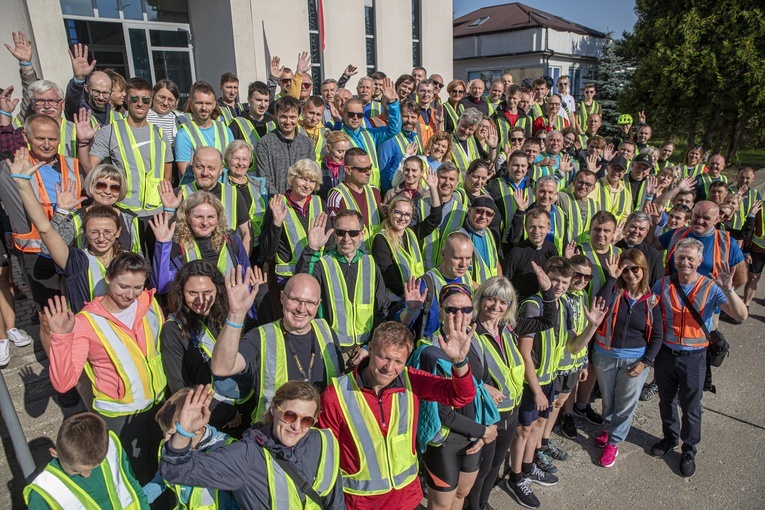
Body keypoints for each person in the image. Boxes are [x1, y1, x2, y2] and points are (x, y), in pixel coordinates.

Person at [319, 321, 477, 510]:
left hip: (407, 500)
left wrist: (459, 362)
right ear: (370, 349)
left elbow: (461, 396)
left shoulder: (412, 380)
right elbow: (325, 460)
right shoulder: (334, 395)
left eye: (398, 362)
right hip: (361, 505)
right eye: (383, 358)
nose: (389, 368)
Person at [46, 253, 166, 483]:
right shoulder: (85, 322)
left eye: (137, 287)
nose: (130, 295)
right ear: (108, 278)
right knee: (135, 477)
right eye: (123, 286)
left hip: (157, 407)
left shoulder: (148, 303)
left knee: (160, 468)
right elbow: (64, 383)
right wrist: (61, 338)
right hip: (119, 416)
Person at [507, 257, 606, 509]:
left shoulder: (562, 306)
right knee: (524, 430)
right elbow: (524, 353)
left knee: (540, 424)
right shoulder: (533, 305)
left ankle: (528, 468)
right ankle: (515, 477)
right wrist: (537, 390)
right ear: (544, 278)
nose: (559, 286)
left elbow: (573, 346)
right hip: (533, 383)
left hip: (551, 377)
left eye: (564, 281)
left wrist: (592, 327)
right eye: (554, 280)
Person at [159, 381, 345, 509]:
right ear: (274, 408)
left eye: (306, 420)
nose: (296, 426)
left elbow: (334, 502)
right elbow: (176, 471)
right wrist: (184, 433)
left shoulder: (322, 441)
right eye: (290, 415)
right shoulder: (245, 455)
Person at [650, 238, 747, 477]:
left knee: (691, 407)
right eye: (680, 257)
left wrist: (728, 289)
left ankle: (689, 449)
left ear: (699, 261)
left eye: (690, 258)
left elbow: (741, 315)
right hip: (665, 355)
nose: (684, 262)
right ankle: (670, 438)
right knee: (666, 401)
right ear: (673, 258)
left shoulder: (710, 287)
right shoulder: (661, 284)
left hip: (694, 357)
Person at [466, 272, 557, 510]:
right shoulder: (470, 331)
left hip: (511, 412)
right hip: (488, 416)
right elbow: (454, 369)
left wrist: (548, 291)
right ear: (480, 298)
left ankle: (483, 503)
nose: (496, 306)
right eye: (491, 299)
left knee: (496, 465)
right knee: (483, 467)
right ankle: (473, 506)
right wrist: (480, 385)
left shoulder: (510, 326)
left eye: (503, 301)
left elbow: (548, 321)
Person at [0, 116, 82, 381]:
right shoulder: (12, 168)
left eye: (52, 138)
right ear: (26, 136)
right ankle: (58, 372)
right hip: (36, 254)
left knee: (76, 310)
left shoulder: (71, 164)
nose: (47, 144)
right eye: (40, 138)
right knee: (48, 316)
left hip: (70, 250)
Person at [209, 270, 344, 424]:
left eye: (310, 303)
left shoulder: (326, 332)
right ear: (282, 297)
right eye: (295, 299)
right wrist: (236, 314)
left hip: (318, 434)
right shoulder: (260, 337)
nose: (301, 308)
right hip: (273, 436)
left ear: (318, 304)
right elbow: (221, 368)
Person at [408, 283, 499, 510]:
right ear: (441, 312)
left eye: (466, 309)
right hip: (445, 440)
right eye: (451, 310)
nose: (459, 315)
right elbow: (441, 413)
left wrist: (482, 428)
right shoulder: (431, 352)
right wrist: (483, 432)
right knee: (441, 505)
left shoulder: (473, 341)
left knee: (461, 494)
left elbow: (477, 383)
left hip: (473, 435)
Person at [11, 157, 128, 314]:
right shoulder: (76, 217)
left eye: (114, 187)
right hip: (83, 291)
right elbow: (47, 247)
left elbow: (136, 255)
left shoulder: (130, 220)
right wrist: (61, 212)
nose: (107, 190)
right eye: (101, 185)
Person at [77, 77, 173, 251]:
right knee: (131, 265)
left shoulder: (159, 133)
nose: (140, 104)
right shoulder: (111, 131)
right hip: (125, 211)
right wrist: (83, 143)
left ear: (150, 102)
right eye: (134, 99)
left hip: (156, 213)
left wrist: (166, 207)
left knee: (160, 268)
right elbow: (90, 168)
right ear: (127, 100)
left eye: (145, 100)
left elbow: (167, 173)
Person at [160, 260, 258, 430]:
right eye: (192, 293)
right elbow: (179, 387)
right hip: (212, 417)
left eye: (207, 292)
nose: (201, 300)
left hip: (246, 401)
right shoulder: (173, 330)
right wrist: (225, 412)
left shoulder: (228, 313)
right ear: (181, 293)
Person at [589, 250, 662, 468]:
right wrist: (612, 276)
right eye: (626, 269)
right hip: (605, 356)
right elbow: (599, 304)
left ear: (643, 270)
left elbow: (657, 336)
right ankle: (608, 428)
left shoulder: (652, 301)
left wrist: (645, 362)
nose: (630, 274)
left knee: (625, 405)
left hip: (634, 360)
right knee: (609, 399)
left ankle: (614, 442)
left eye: (635, 269)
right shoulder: (614, 290)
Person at [297, 210, 391, 351]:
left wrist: (368, 347)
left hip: (364, 349)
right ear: (334, 234)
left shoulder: (370, 264)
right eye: (341, 232)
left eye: (353, 233)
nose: (346, 238)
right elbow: (301, 287)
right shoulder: (322, 264)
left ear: (362, 234)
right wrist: (312, 249)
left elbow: (381, 309)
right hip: (331, 348)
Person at [24, 412, 149, 509]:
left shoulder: (109, 448)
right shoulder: (44, 493)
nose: (86, 474)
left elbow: (131, 484)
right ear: (54, 453)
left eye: (94, 467)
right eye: (76, 470)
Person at [144, 387, 237, 508]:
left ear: (197, 429)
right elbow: (163, 479)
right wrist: (140, 499)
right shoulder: (169, 447)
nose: (166, 440)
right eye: (164, 432)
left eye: (173, 434)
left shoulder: (225, 449)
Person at [260, 159, 330, 312]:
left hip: (315, 276)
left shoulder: (320, 204)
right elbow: (267, 252)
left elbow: (329, 245)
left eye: (312, 181)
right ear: (293, 178)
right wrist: (276, 223)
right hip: (286, 281)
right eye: (303, 178)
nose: (307, 185)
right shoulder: (278, 204)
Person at [150, 192, 251, 298]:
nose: (205, 223)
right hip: (192, 309)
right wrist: (163, 244)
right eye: (199, 217)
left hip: (229, 307)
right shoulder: (176, 245)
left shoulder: (232, 239)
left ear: (218, 218)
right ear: (187, 217)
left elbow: (247, 278)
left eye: (211, 217)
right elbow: (161, 287)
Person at [161, 146, 252, 248]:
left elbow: (246, 233)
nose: (205, 173)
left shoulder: (233, 194)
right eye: (200, 167)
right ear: (192, 167)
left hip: (226, 262)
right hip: (190, 262)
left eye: (211, 168)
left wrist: (244, 262)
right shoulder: (178, 194)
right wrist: (169, 211)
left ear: (221, 170)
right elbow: (164, 236)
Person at [372, 193, 441, 298]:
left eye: (407, 214)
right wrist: (406, 296)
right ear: (390, 212)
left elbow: (435, 219)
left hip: (415, 296)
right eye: (398, 213)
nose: (402, 218)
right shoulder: (381, 239)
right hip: (395, 300)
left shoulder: (411, 234)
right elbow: (388, 275)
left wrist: (432, 188)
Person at [340, 77, 401, 189]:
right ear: (343, 114)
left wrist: (392, 103)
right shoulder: (338, 137)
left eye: (359, 115)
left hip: (373, 188)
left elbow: (394, 129)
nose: (355, 118)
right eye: (351, 114)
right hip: (351, 188)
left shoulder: (370, 134)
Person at [174, 81, 235, 183]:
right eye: (199, 103)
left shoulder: (225, 130)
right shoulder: (184, 135)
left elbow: (233, 166)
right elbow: (186, 173)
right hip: (199, 195)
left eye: (208, 103)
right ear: (191, 103)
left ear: (214, 104)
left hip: (224, 191)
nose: (204, 108)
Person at [256, 96, 315, 195]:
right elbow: (264, 177)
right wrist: (280, 200)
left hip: (301, 203)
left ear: (299, 116)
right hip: (276, 203)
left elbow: (311, 175)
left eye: (292, 117)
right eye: (284, 116)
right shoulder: (265, 143)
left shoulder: (307, 143)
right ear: (276, 115)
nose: (288, 122)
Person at [327, 147, 384, 248]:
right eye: (363, 169)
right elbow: (335, 235)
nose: (369, 172)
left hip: (375, 255)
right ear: (348, 170)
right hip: (352, 258)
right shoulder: (336, 196)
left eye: (370, 167)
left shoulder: (374, 191)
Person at [223, 140, 266, 263]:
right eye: (236, 158)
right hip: (229, 249)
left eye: (245, 159)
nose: (241, 163)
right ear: (228, 159)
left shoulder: (258, 185)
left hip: (256, 249)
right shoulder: (221, 184)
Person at [505, 208, 557, 301]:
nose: (536, 231)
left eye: (541, 227)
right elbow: (506, 285)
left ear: (549, 227)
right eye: (532, 226)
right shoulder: (515, 253)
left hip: (546, 303)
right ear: (525, 227)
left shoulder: (551, 249)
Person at [64, 43, 116, 126]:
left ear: (111, 92)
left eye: (105, 93)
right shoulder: (79, 113)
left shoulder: (119, 117)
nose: (101, 97)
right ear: (86, 88)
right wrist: (78, 79)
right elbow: (71, 101)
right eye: (96, 92)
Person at [378, 99, 424, 192]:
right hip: (394, 192)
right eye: (405, 116)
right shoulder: (389, 138)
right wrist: (389, 194)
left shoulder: (415, 137)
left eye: (413, 117)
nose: (409, 120)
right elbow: (384, 172)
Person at [228, 81, 277, 168]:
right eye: (258, 100)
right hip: (248, 178)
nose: (263, 105)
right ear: (249, 99)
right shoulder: (236, 125)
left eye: (266, 101)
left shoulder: (274, 122)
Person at [616, 211, 666, 287]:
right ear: (625, 226)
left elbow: (658, 286)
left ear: (646, 232)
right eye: (633, 226)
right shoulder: (613, 246)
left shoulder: (654, 255)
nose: (636, 231)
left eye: (641, 229)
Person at [147, 79, 186, 154]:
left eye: (170, 100)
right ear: (153, 94)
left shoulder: (180, 119)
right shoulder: (143, 116)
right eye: (162, 97)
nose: (165, 103)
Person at [596, 155, 633, 223]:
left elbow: (625, 216)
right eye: (614, 168)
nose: (616, 172)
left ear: (624, 172)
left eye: (620, 170)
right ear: (607, 169)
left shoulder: (626, 193)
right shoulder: (596, 185)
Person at [451, 108, 484, 175]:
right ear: (458, 122)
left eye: (471, 129)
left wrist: (493, 148)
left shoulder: (473, 140)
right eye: (464, 126)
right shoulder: (447, 141)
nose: (466, 132)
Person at [320, 130, 350, 198]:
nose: (343, 156)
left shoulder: (349, 168)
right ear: (328, 148)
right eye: (340, 151)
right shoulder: (319, 167)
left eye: (346, 151)